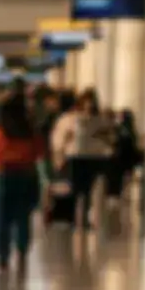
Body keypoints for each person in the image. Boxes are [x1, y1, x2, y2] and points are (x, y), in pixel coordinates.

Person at [0, 95, 48, 274]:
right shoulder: (31, 132)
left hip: (3, 177)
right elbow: (41, 154)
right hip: (27, 177)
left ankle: (3, 258)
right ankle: (22, 252)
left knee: (1, 220)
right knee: (23, 217)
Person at [54, 91, 114, 234]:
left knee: (87, 189)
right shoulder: (70, 119)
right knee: (74, 188)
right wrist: (59, 155)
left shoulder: (99, 120)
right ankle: (72, 218)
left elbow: (109, 137)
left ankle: (84, 219)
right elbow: (60, 138)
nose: (89, 105)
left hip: (93, 157)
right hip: (75, 157)